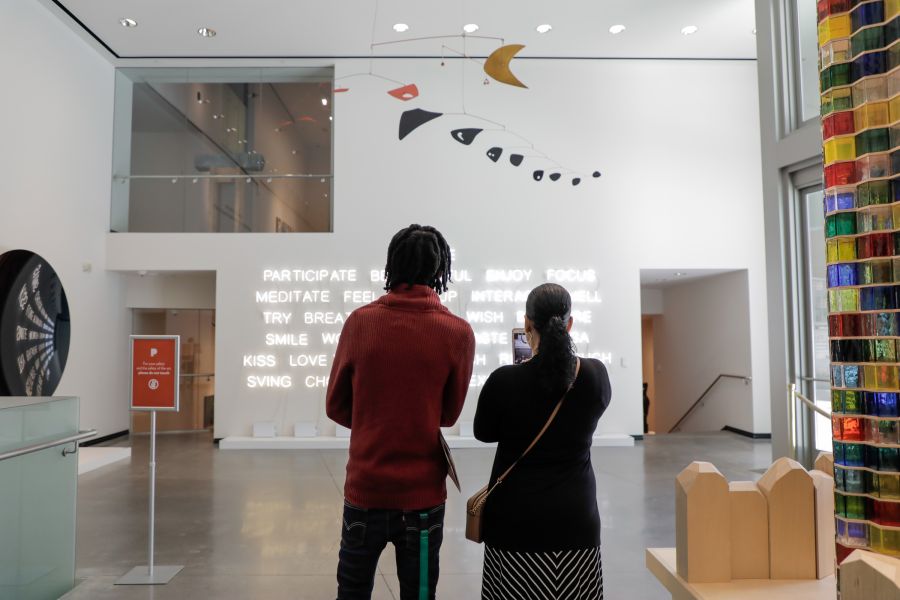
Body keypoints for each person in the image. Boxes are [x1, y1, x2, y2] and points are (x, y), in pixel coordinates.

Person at [326, 224, 476, 600]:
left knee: (353, 592)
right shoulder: (458, 332)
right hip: (423, 497)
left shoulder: (360, 322)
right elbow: (448, 415)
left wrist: (372, 420)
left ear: (391, 265)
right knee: (420, 594)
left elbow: (335, 405)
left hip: (366, 488)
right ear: (441, 268)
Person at [474, 283, 611, 600]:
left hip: (514, 524)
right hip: (576, 523)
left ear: (526, 325)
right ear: (570, 324)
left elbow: (484, 432)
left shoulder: (504, 381)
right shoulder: (595, 376)